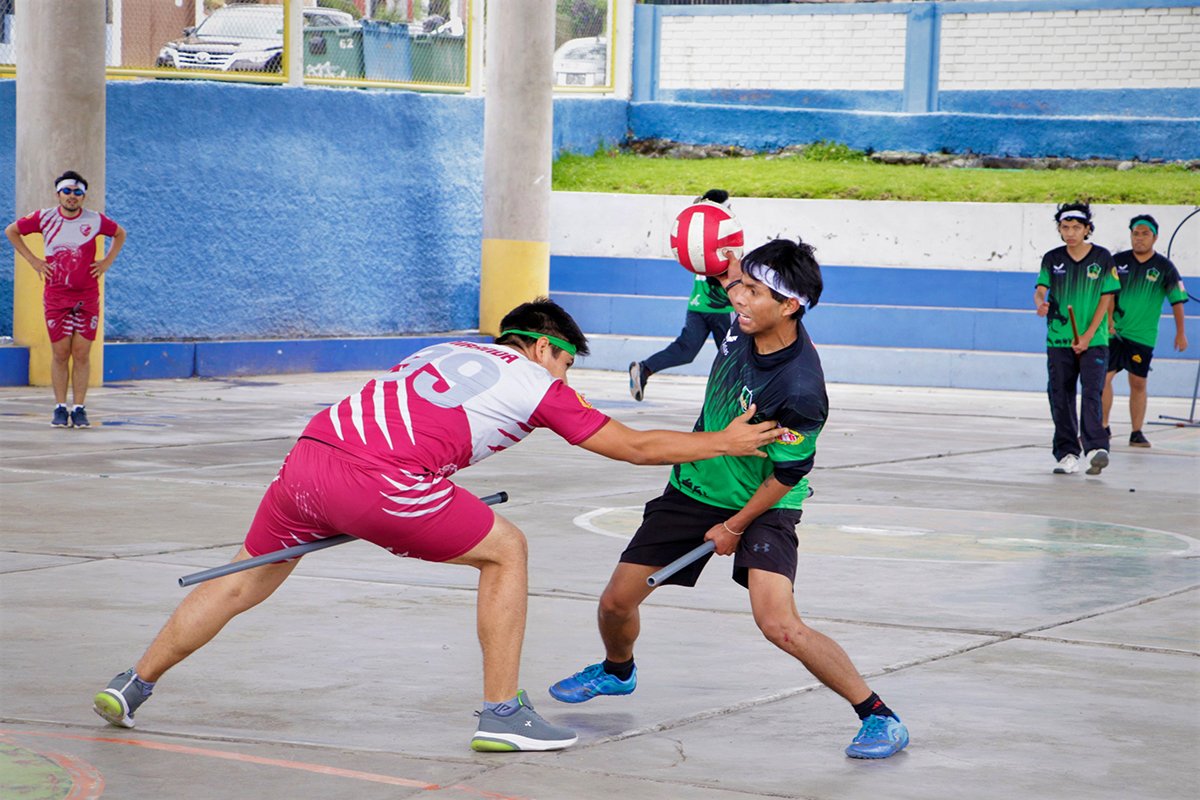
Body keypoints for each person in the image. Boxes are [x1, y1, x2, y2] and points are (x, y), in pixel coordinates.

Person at [92, 298, 782, 753]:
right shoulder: (536, 380)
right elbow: (631, 447)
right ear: (542, 346)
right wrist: (726, 441)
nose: (567, 376)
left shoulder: (444, 350)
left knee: (245, 578)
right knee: (507, 550)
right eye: (568, 360)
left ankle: (133, 683)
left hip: (308, 461)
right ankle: (503, 715)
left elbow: (420, 424)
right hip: (380, 483)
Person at [551, 239, 911, 760]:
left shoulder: (800, 387)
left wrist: (736, 527)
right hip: (694, 486)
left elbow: (787, 475)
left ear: (789, 305)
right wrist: (714, 247)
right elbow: (728, 271)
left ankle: (878, 716)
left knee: (779, 625)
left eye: (752, 291)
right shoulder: (744, 321)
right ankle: (617, 671)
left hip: (764, 502)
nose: (737, 298)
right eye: (738, 286)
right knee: (615, 603)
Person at [5, 170, 126, 428]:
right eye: (67, 191)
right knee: (60, 353)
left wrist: (106, 262)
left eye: (78, 192)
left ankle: (79, 408)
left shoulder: (94, 220)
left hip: (87, 297)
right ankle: (60, 407)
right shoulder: (44, 217)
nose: (72, 196)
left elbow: (119, 233)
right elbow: (12, 231)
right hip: (56, 296)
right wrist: (34, 261)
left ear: (84, 196)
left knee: (82, 353)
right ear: (59, 193)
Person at [1033, 202, 1119, 475]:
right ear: (1059, 229)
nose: (1070, 232)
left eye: (1076, 228)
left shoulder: (1103, 257)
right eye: (1065, 227)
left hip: (1093, 340)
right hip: (1059, 340)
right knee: (1060, 394)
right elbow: (1040, 289)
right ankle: (1068, 453)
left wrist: (1089, 334)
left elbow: (1107, 298)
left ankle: (1095, 447)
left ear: (1087, 229)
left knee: (1092, 392)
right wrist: (1040, 303)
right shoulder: (1051, 258)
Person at [629, 189, 735, 402]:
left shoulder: (695, 233)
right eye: (728, 206)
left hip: (697, 305)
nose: (731, 210)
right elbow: (721, 274)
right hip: (722, 308)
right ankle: (730, 400)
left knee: (686, 351)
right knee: (733, 356)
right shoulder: (723, 236)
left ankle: (645, 368)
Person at [1102, 214, 1189, 447]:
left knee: (1138, 382)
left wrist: (1181, 333)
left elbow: (1177, 301)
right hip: (1113, 332)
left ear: (1155, 237)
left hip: (1142, 336)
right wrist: (1108, 320)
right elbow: (1106, 294)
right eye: (1135, 234)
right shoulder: (1116, 262)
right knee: (1104, 378)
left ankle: (1136, 432)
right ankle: (1103, 427)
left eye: (1145, 234)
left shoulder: (1164, 268)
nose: (1139, 239)